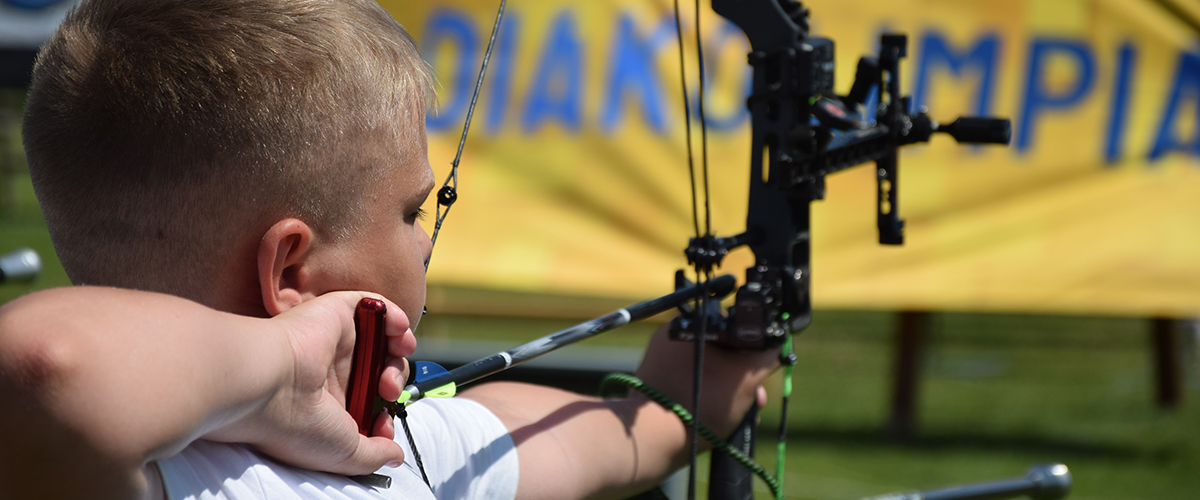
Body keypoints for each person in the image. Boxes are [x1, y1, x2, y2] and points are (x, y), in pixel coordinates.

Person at [0, 1, 779, 499]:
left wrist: (675, 409)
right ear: (292, 272)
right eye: (412, 211)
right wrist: (284, 366)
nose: (428, 237)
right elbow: (44, 367)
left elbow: (536, 434)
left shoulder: (397, 447)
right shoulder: (153, 477)